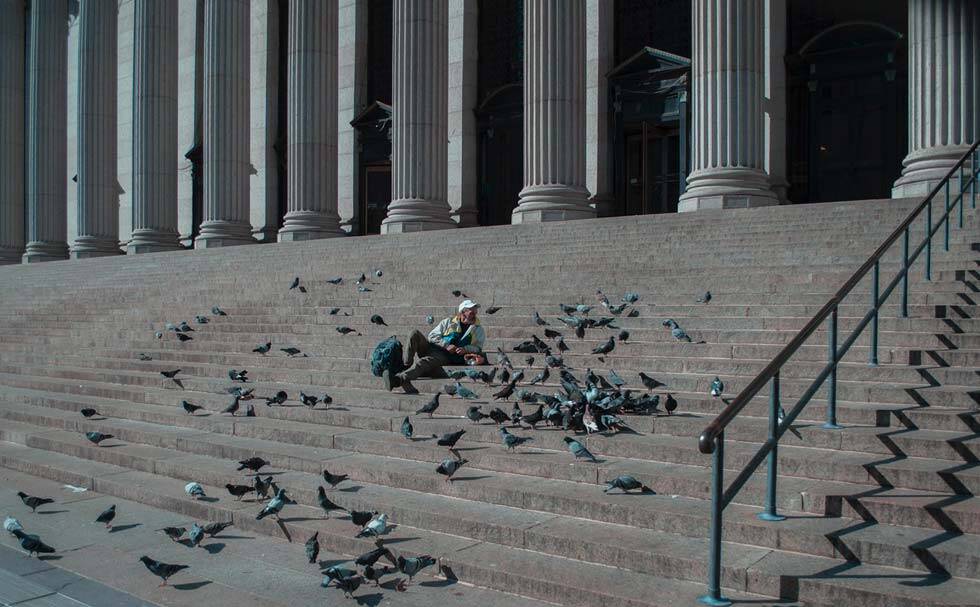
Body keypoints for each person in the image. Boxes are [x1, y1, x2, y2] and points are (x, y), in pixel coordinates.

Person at [384, 300, 487, 394]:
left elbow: (478, 348)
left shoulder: (478, 329)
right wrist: (446, 345)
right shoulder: (448, 322)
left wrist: (465, 349)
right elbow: (432, 336)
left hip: (445, 357)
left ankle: (398, 380)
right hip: (433, 347)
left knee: (424, 362)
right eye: (472, 312)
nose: (474, 314)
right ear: (462, 312)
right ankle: (406, 367)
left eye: (475, 312)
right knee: (414, 333)